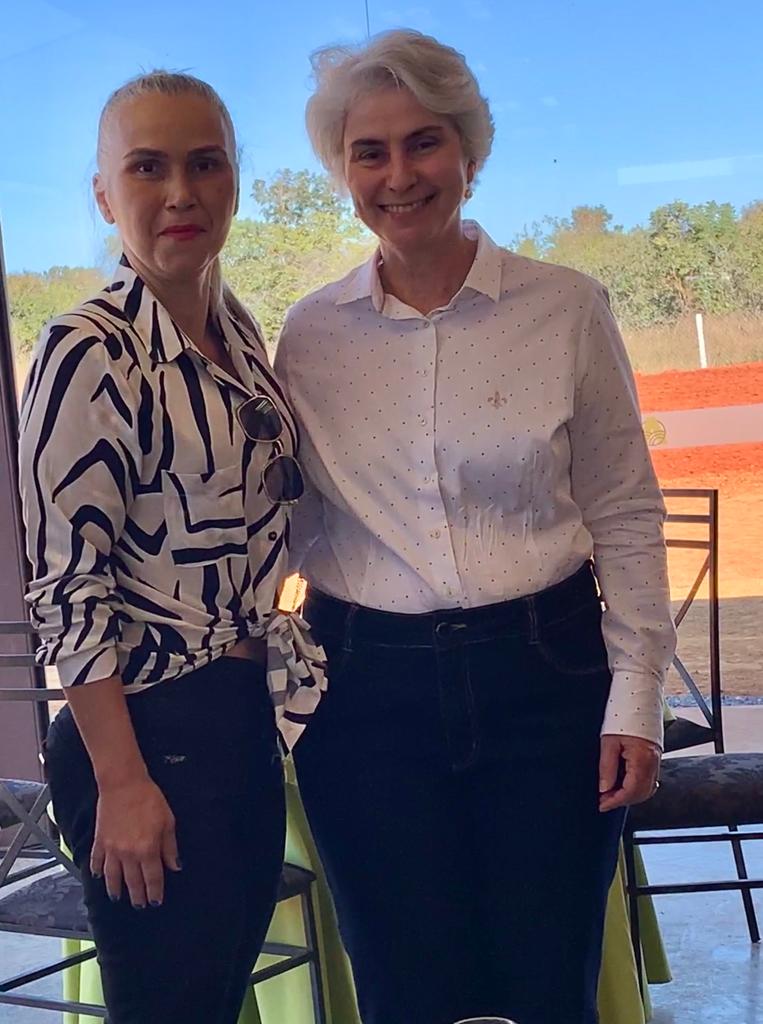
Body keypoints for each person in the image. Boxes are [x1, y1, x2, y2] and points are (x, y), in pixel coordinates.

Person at [274, 29, 676, 1024]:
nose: (399, 174)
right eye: (369, 151)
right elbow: (278, 517)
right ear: (342, 170)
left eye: (424, 142)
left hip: (547, 680)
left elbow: (625, 510)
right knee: (403, 993)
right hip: (364, 695)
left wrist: (637, 697)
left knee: (549, 986)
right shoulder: (308, 335)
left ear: (468, 151)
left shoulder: (566, 310)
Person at [18, 70, 318, 1024]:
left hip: (237, 718)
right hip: (146, 731)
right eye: (147, 168)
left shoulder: (235, 331)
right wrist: (121, 781)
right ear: (105, 196)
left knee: (213, 1003)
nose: (181, 192)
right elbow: (67, 584)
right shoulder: (89, 349)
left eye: (205, 164)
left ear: (234, 181)